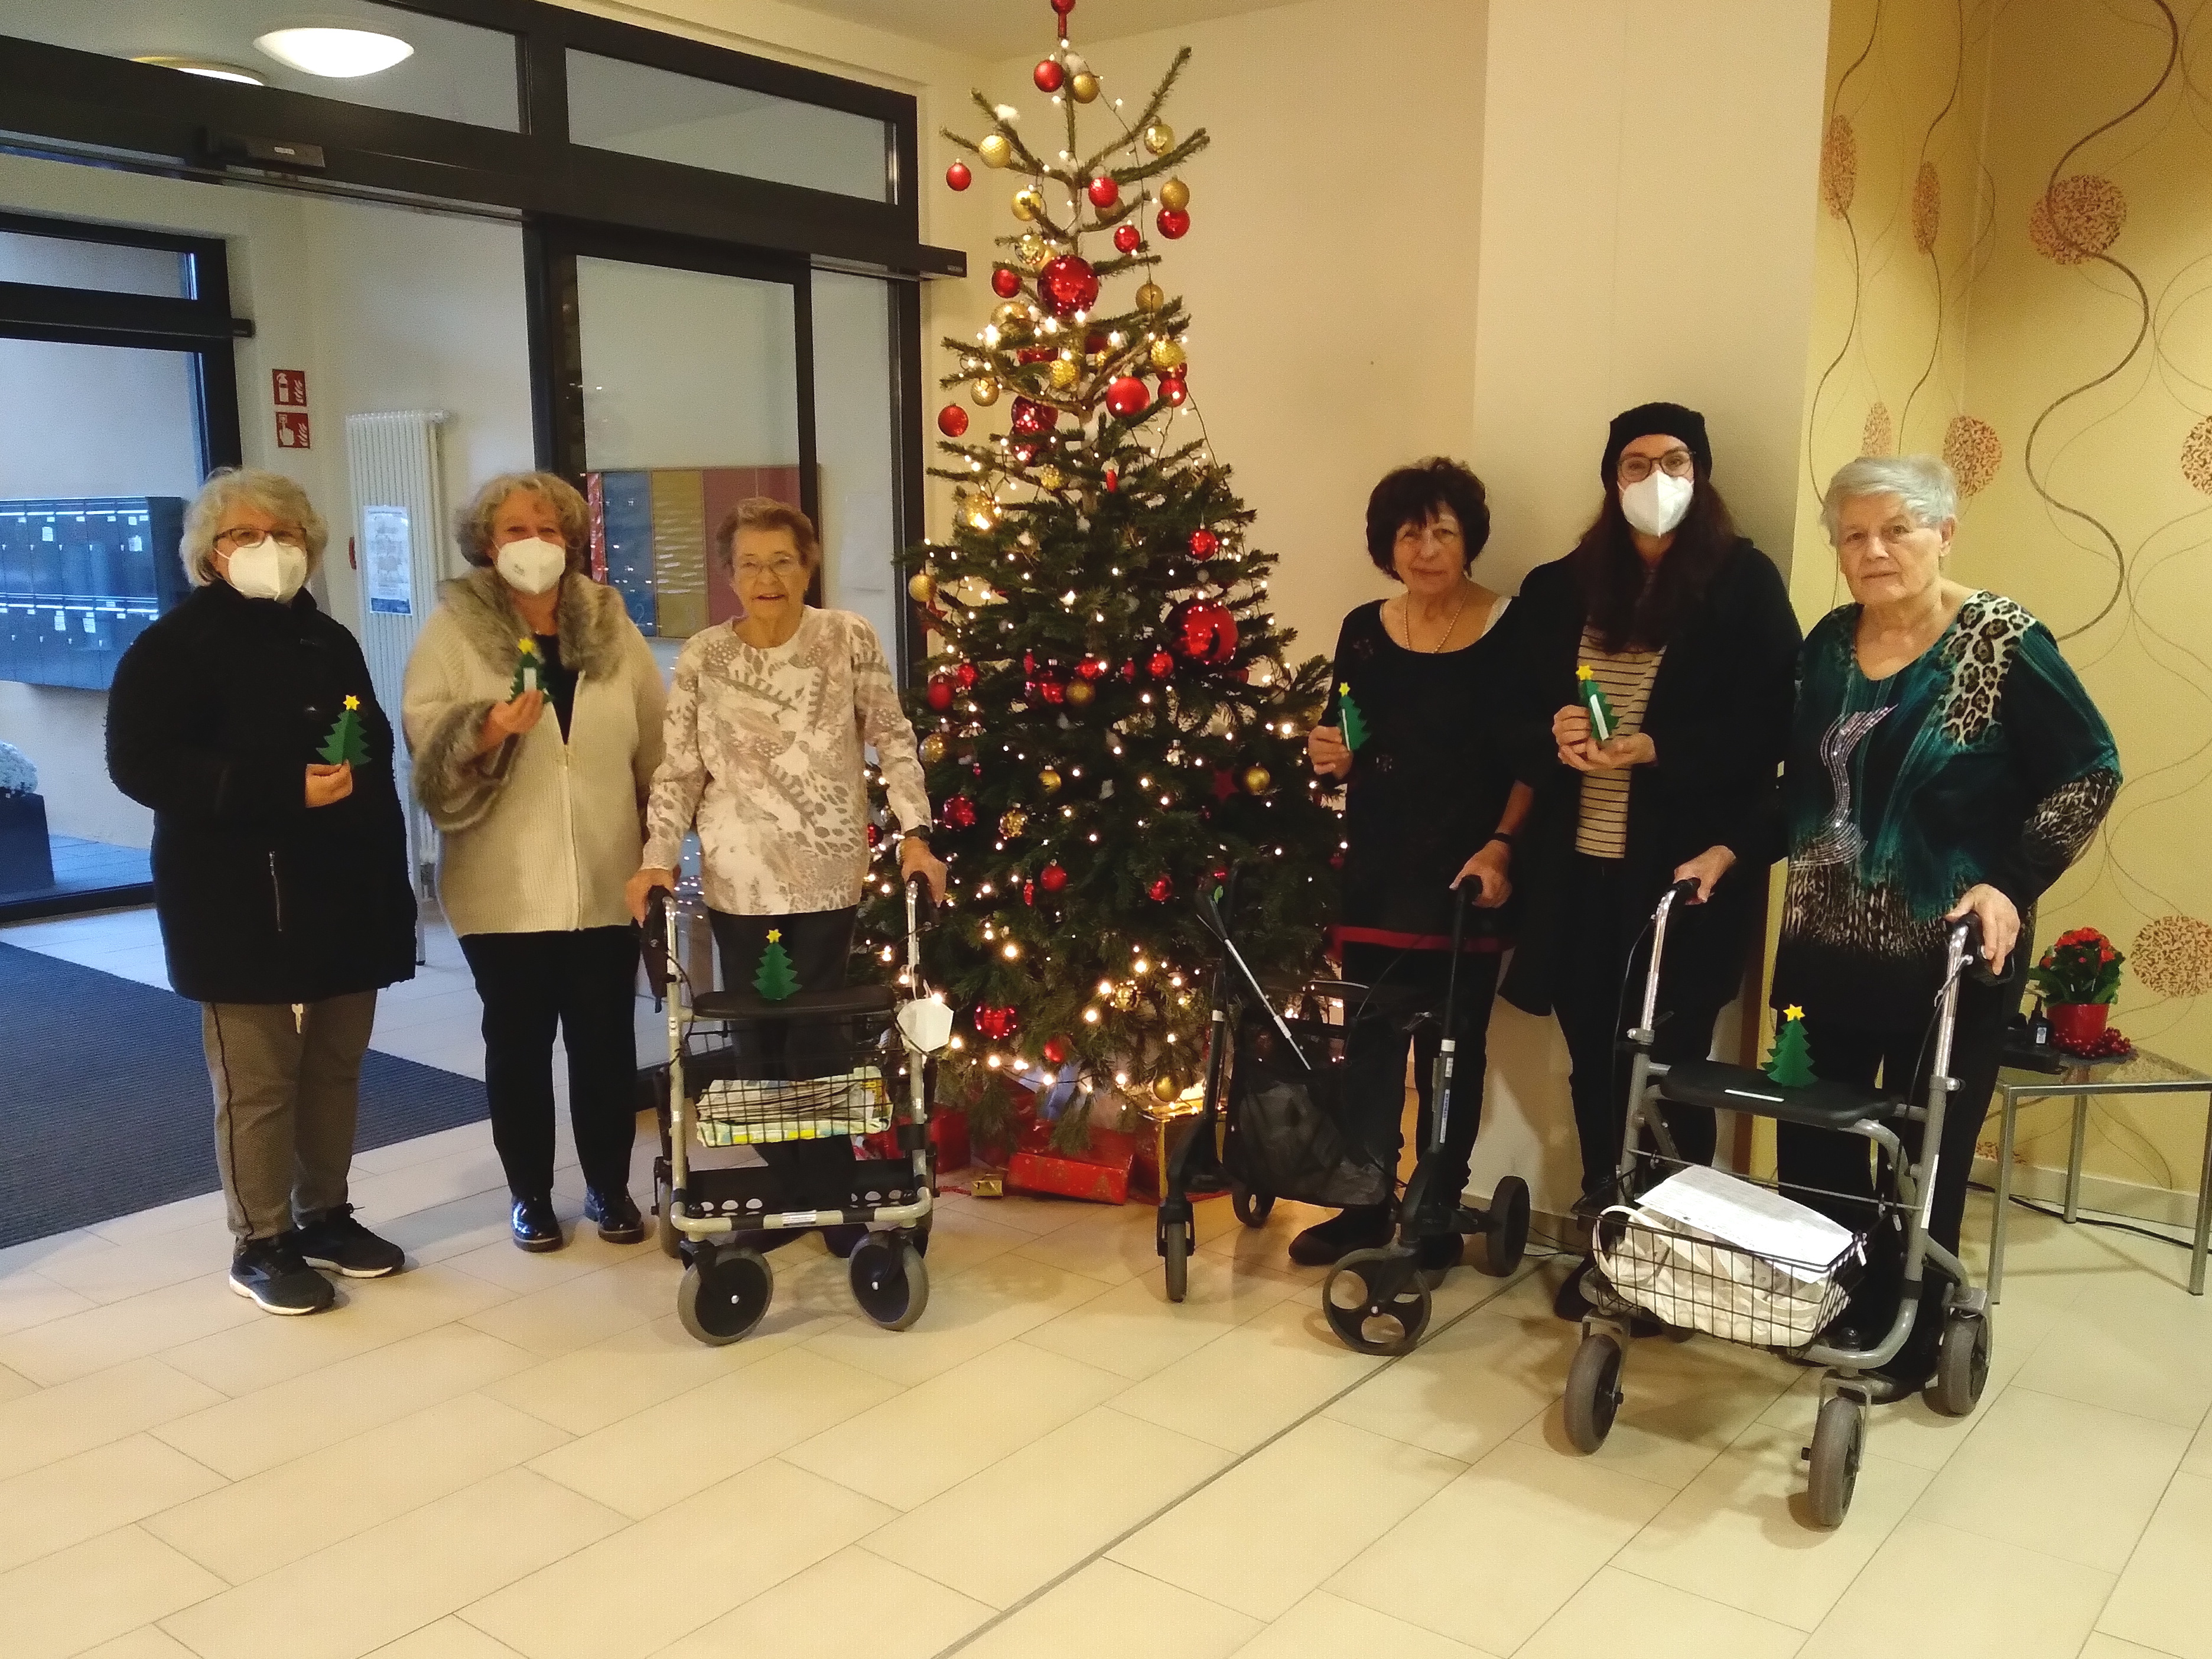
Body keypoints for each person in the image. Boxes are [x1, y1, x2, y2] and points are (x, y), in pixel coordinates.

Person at [1710, 453, 2117, 1393]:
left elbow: (2089, 771)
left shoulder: (2004, 642)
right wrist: (1731, 849)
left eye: (1897, 529)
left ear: (1944, 533)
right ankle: (1836, 1294)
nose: (1875, 550)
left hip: (1950, 957)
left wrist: (2011, 885)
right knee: (1812, 1127)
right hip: (1823, 949)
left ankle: (1916, 1319)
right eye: (1855, 535)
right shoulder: (1826, 646)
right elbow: (1806, 792)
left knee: (1926, 1141)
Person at [1499, 402, 1800, 1310]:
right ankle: (1610, 1232)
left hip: (1679, 876)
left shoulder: (1743, 584)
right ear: (1611, 478)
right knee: (1594, 1061)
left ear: (1701, 475)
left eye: (1675, 462)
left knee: (1670, 1068)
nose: (1656, 480)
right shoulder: (1559, 587)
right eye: (1636, 464)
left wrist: (1660, 748)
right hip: (1576, 874)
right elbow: (1510, 714)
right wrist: (1553, 732)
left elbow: (1774, 726)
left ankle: (1673, 1254)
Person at [108, 467, 415, 1315]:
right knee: (259, 1080)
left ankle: (326, 1216)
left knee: (336, 1068)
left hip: (344, 888)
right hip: (235, 900)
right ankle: (261, 1239)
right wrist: (279, 787)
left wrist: (387, 886)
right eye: (244, 534)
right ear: (209, 554)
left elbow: (370, 752)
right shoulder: (172, 647)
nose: (267, 548)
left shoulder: (329, 640)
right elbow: (139, 764)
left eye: (283, 534)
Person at [626, 497, 944, 1257]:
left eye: (781, 562)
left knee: (815, 1036)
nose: (765, 578)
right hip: (738, 878)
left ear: (808, 567)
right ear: (728, 574)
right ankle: (816, 1194)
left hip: (827, 872)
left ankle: (820, 1195)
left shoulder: (846, 638)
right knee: (756, 1037)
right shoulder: (703, 656)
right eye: (749, 564)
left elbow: (894, 738)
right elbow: (679, 771)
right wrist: (656, 859)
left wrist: (916, 835)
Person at [403, 472, 666, 1253]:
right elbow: (422, 730)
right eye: (517, 529)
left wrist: (663, 845)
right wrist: (487, 729)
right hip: (502, 884)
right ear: (488, 544)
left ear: (572, 540)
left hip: (606, 876)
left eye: (550, 529)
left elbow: (655, 738)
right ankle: (530, 1195)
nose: (536, 543)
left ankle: (610, 1187)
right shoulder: (455, 628)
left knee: (604, 1043)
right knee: (517, 1047)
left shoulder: (610, 621)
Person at [1297, 458, 1531, 1271]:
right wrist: (1328, 755)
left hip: (1470, 872)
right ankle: (1362, 1203)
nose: (1426, 549)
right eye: (1409, 534)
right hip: (1376, 867)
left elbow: (1533, 762)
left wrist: (1502, 846)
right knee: (1366, 1041)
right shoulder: (1363, 628)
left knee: (1452, 1047)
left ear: (1469, 540)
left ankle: (1434, 1209)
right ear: (1386, 545)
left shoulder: (1512, 625)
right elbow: (1341, 737)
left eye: (1443, 532)